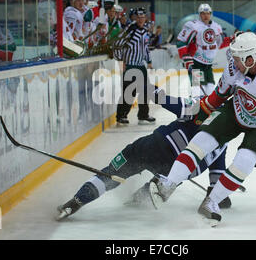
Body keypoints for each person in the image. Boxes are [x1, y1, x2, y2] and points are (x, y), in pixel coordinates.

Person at [148, 32, 256, 224]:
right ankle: (168, 184)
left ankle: (212, 201)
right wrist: (203, 111)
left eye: (237, 58)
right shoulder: (233, 68)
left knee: (245, 162)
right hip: (236, 111)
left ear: (250, 58)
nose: (233, 62)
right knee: (200, 141)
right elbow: (218, 96)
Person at [56, 89, 232, 221]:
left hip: (154, 145)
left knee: (112, 173)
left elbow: (171, 103)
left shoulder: (205, 104)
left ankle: (76, 201)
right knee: (163, 184)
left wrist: (149, 88)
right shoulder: (225, 140)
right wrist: (220, 198)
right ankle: (138, 199)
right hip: (173, 171)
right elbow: (217, 178)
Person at [176, 3, 230, 97]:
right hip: (196, 63)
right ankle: (196, 108)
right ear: (199, 14)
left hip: (208, 65)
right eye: (203, 13)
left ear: (211, 14)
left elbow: (218, 44)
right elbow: (181, 42)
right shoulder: (193, 25)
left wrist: (232, 39)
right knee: (197, 90)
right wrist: (185, 57)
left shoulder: (216, 27)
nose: (205, 15)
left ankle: (205, 109)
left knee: (210, 89)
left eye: (208, 13)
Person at [114, 7, 156, 125]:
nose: (140, 19)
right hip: (130, 65)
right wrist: (121, 61)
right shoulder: (131, 29)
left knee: (145, 91)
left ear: (145, 18)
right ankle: (121, 116)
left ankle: (143, 115)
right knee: (129, 92)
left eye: (142, 17)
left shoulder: (145, 30)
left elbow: (145, 47)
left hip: (140, 65)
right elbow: (118, 44)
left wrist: (149, 61)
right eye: (138, 17)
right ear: (134, 17)